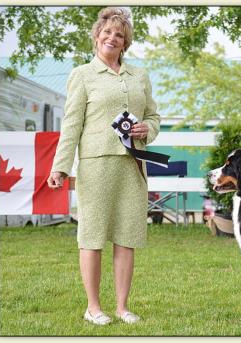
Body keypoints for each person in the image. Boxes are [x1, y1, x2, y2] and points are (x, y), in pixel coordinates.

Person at [47, 7, 161, 325]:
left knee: (127, 235)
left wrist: (147, 130)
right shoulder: (82, 75)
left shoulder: (140, 76)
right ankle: (93, 307)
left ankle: (123, 307)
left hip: (133, 165)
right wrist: (60, 167)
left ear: (126, 42)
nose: (113, 38)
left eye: (119, 34)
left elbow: (153, 116)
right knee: (93, 235)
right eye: (107, 32)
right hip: (96, 165)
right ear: (97, 36)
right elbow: (71, 125)